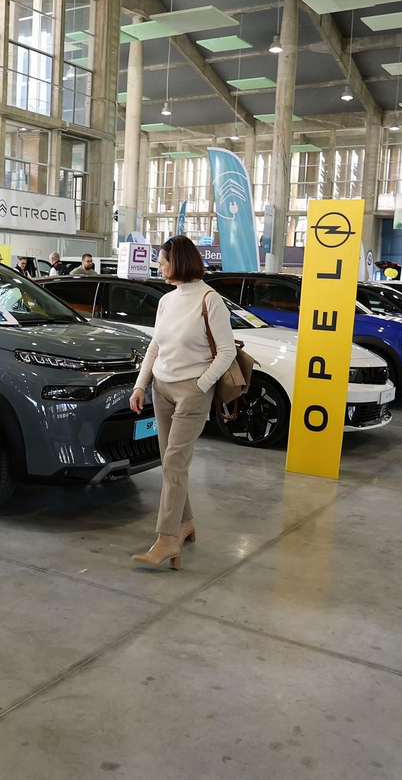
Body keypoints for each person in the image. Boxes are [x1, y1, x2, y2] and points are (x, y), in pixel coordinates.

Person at [127, 236, 235, 570]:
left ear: (181, 263)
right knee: (170, 462)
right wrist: (140, 385)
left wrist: (199, 386)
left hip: (191, 392)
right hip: (161, 389)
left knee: (174, 463)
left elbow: (227, 352)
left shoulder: (209, 299)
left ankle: (167, 540)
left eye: (162, 261)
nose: (158, 266)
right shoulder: (167, 301)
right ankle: (185, 524)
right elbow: (155, 346)